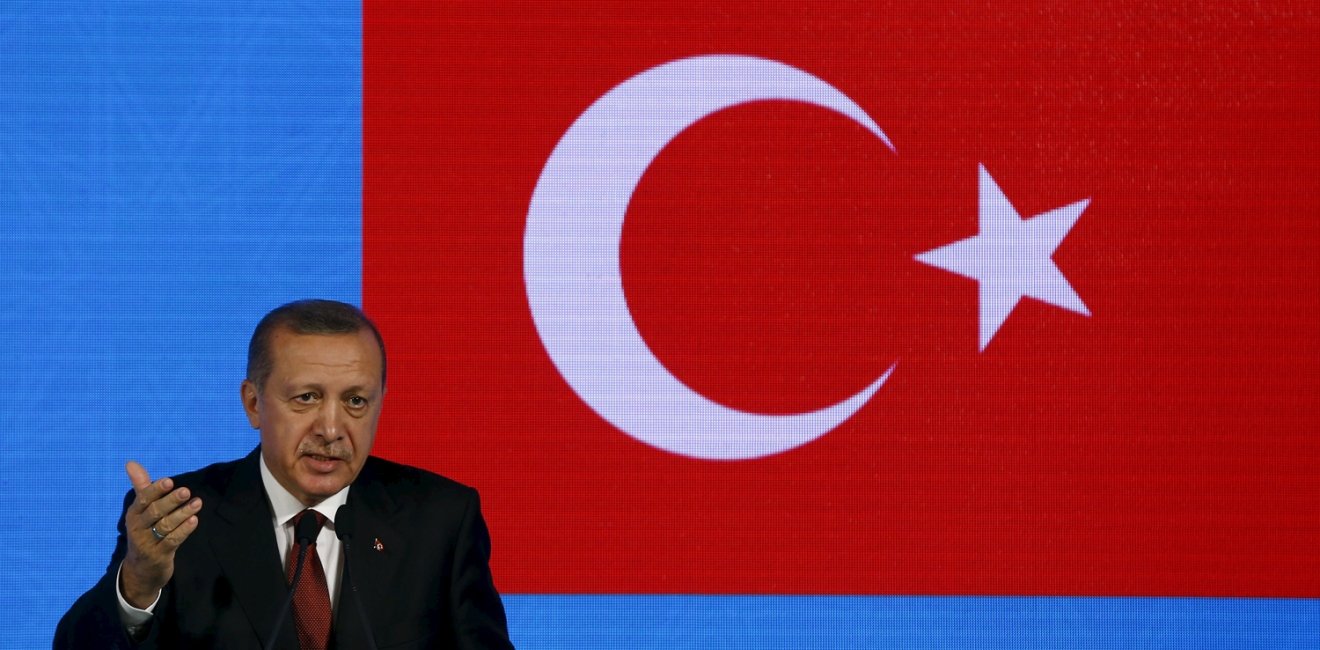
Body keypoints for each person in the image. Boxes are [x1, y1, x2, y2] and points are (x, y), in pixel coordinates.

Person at [54, 299, 515, 649]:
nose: (332, 429)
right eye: (306, 398)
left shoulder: (440, 519)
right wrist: (138, 582)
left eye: (356, 401)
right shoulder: (181, 517)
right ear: (253, 403)